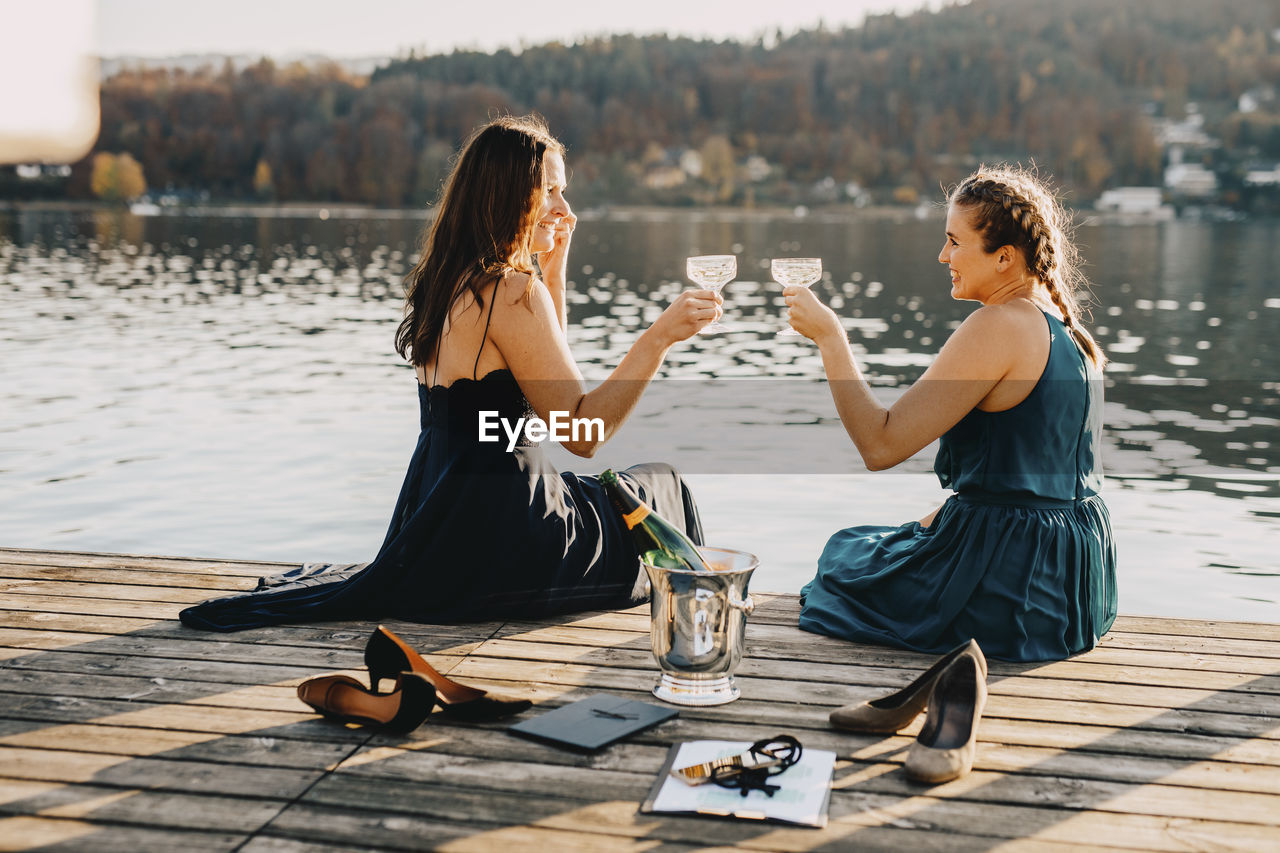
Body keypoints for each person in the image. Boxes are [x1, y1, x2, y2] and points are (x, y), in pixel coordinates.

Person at [181, 115, 721, 631]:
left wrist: (550, 271)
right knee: (661, 487)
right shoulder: (512, 293)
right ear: (511, 194)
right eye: (550, 190)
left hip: (443, 519)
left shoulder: (452, 281)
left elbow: (545, 382)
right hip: (510, 533)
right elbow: (582, 433)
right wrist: (657, 339)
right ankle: (702, 631)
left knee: (620, 493)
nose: (565, 207)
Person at [785, 165, 1116, 662]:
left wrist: (830, 338)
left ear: (1004, 257)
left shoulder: (998, 325)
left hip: (1014, 589)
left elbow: (880, 445)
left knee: (843, 559)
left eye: (955, 242)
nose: (943, 256)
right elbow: (1024, 482)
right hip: (1078, 585)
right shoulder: (1068, 331)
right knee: (882, 542)